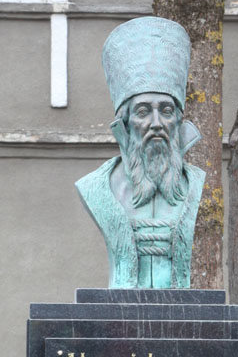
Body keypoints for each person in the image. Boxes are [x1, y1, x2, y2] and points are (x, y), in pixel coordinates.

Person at [76, 17, 205, 289]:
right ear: (125, 123)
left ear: (178, 121)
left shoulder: (195, 184)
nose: (157, 123)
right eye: (143, 111)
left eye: (166, 111)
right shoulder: (95, 188)